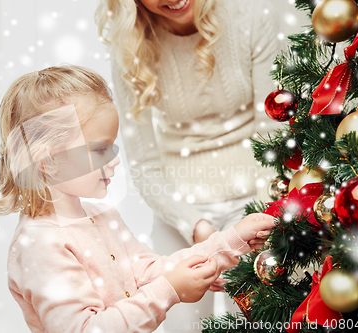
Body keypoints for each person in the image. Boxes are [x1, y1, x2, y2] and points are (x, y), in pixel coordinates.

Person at [0, 65, 276, 332]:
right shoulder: (40, 245)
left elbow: (150, 272)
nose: (115, 160)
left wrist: (232, 240)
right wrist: (170, 289)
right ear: (48, 161)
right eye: (100, 150)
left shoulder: (103, 216)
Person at [95, 0, 281, 329]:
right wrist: (198, 227)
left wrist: (256, 217)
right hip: (180, 210)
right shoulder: (130, 47)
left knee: (264, 319)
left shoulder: (249, 17)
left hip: (255, 199)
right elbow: (143, 163)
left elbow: (273, 131)